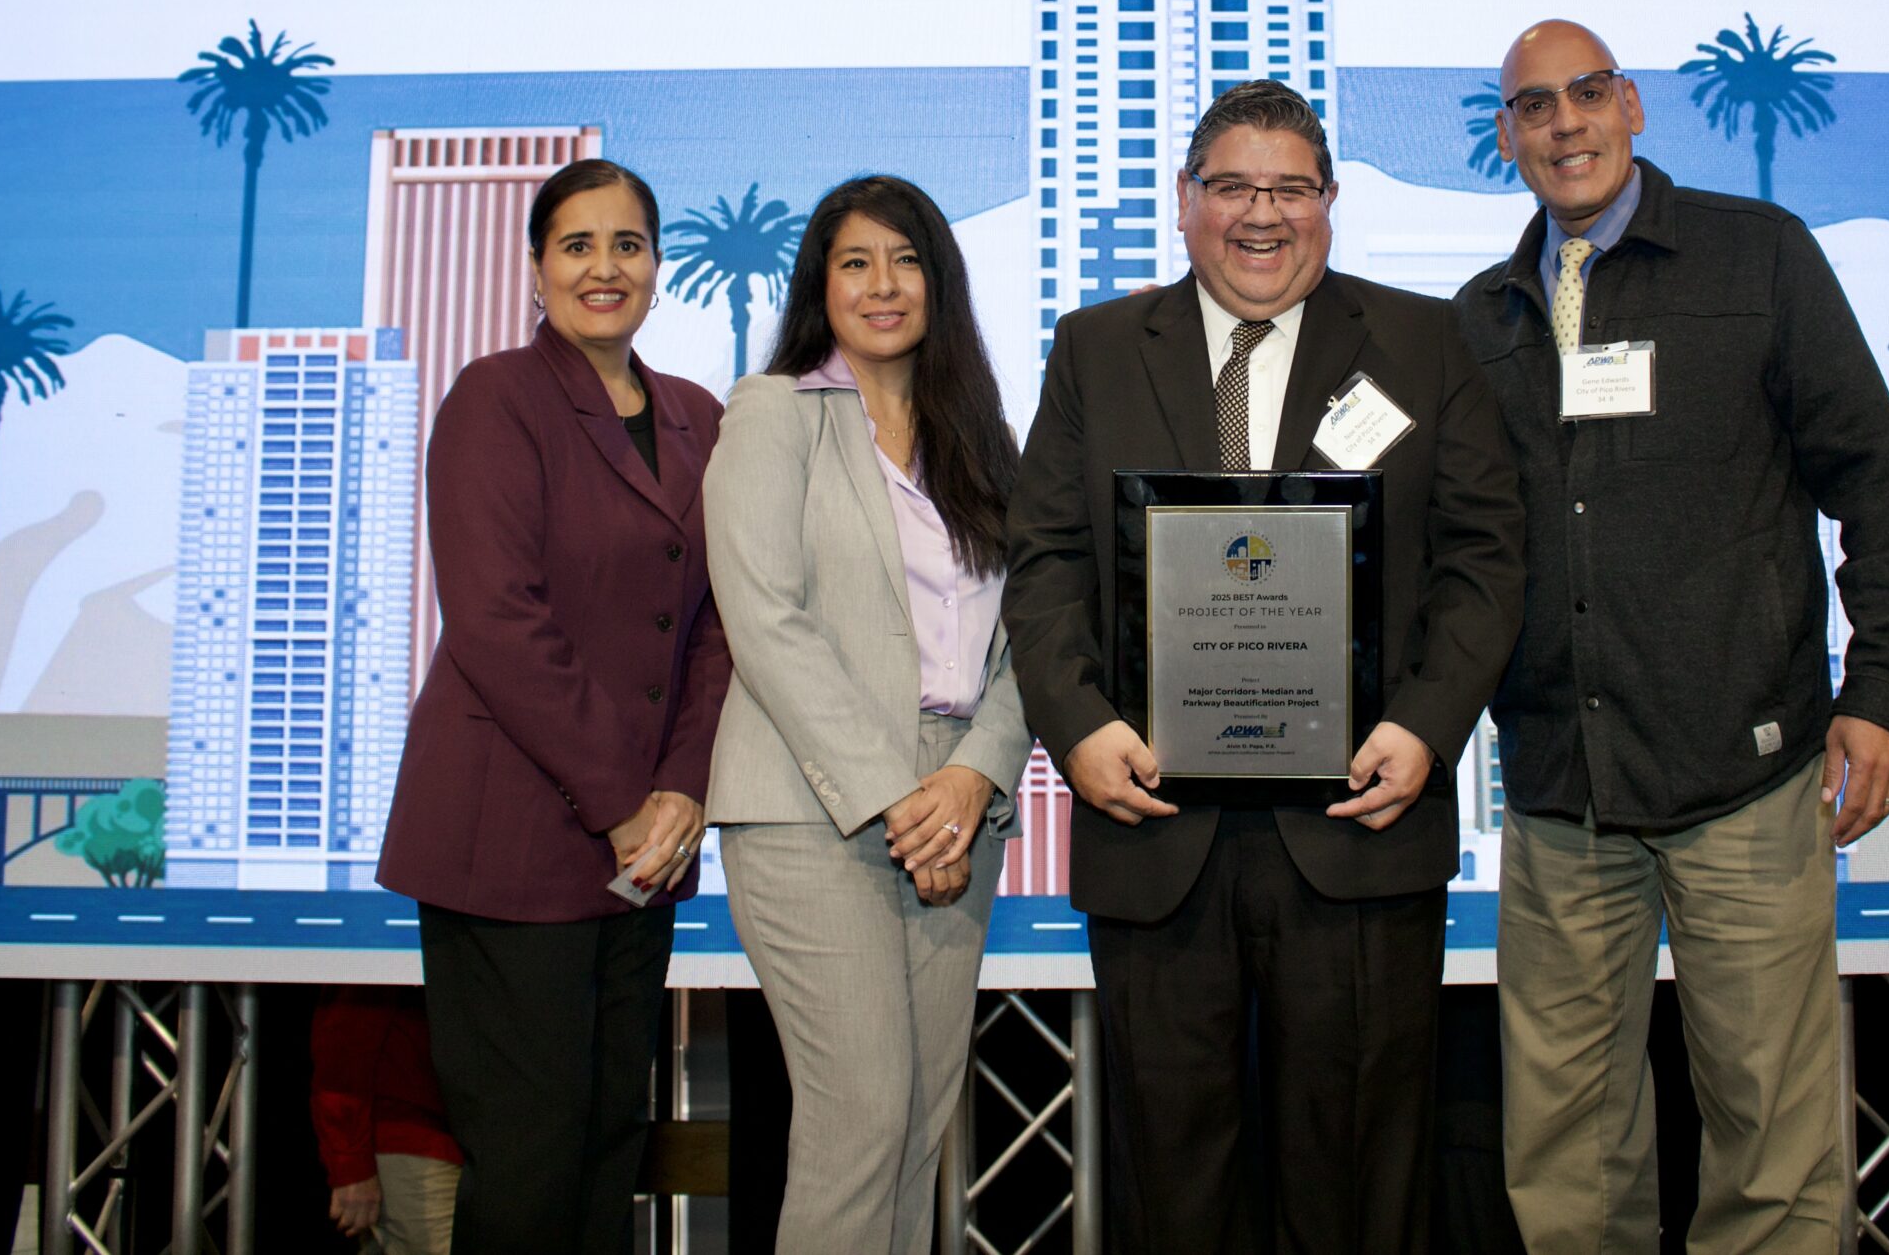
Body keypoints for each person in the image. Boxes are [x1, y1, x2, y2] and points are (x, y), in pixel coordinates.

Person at [1005, 79, 1526, 1254]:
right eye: (1233, 186)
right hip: (1152, 828)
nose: (1261, 214)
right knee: (1173, 1180)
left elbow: (1485, 558)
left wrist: (1426, 725)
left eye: (1290, 189)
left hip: (1358, 822)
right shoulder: (1095, 348)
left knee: (1358, 1178)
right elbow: (1044, 562)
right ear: (1184, 199)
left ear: (1329, 201)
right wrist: (1078, 728)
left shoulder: (1420, 342)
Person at [1453, 20, 1889, 1255]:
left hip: (1744, 779)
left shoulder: (1756, 255)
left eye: (1586, 92)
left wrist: (1878, 692)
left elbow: (1875, 489)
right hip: (1563, 794)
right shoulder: (1481, 318)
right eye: (1533, 105)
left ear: (1632, 106)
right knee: (1564, 1159)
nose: (1564, 123)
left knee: (1773, 1148)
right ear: (1506, 136)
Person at [376, 158, 730, 1255]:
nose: (603, 266)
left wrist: (682, 790)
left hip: (645, 849)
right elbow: (496, 620)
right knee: (527, 1166)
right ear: (536, 269)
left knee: (606, 1151)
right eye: (577, 245)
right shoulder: (496, 397)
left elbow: (722, 624)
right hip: (512, 839)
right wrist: (626, 801)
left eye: (628, 244)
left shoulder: (700, 416)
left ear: (658, 266)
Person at [704, 175, 1033, 1255]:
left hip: (957, 804)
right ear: (821, 284)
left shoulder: (983, 438)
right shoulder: (774, 413)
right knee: (860, 1121)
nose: (883, 284)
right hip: (815, 805)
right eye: (856, 262)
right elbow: (766, 620)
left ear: (939, 282)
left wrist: (973, 775)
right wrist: (900, 800)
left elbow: (1033, 632)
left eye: (906, 260)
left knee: (914, 1132)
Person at [310, 986, 462, 1255]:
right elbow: (343, 1044)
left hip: (449, 1138)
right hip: (411, 1141)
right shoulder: (375, 966)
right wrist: (351, 1164)